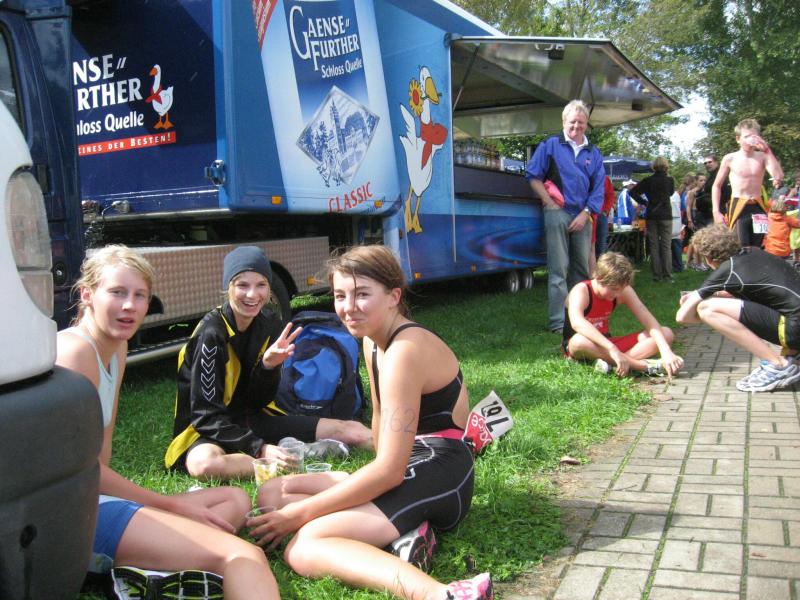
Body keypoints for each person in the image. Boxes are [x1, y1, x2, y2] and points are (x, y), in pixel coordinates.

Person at [248, 245, 492, 600]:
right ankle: (406, 534)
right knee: (274, 493)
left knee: (303, 545)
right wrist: (359, 490)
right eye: (340, 296)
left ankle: (446, 594)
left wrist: (300, 514)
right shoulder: (373, 342)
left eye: (362, 294)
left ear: (394, 296)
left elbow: (390, 472)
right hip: (409, 463)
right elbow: (380, 428)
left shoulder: (404, 351)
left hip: (440, 470)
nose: (349, 307)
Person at [55, 245, 278, 599]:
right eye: (117, 292)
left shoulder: (116, 348)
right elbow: (81, 474)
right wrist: (169, 505)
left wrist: (159, 511)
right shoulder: (75, 352)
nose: (129, 306)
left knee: (235, 499)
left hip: (91, 499)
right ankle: (144, 559)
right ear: (87, 294)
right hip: (63, 521)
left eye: (139, 295)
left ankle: (148, 568)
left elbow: (100, 460)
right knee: (243, 556)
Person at [164, 246, 373, 480]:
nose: (252, 295)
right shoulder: (211, 335)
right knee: (204, 465)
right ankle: (293, 457)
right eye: (242, 285)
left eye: (261, 285)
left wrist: (268, 367)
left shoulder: (269, 323)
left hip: (251, 419)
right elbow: (205, 416)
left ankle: (401, 451)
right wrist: (259, 447)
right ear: (228, 287)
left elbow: (258, 402)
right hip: (209, 430)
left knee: (345, 429)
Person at [677, 224, 800, 392]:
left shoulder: (727, 269)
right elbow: (757, 289)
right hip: (795, 321)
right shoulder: (753, 252)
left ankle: (777, 365)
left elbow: (682, 317)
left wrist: (703, 309)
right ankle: (793, 356)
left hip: (794, 328)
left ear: (708, 258)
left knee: (707, 309)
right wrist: (717, 296)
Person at [526, 99, 606, 334]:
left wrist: (586, 213)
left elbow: (599, 188)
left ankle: (579, 319)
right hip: (557, 213)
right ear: (564, 122)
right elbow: (532, 175)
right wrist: (549, 202)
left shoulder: (594, 153)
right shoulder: (550, 145)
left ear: (587, 124)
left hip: (583, 215)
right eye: (572, 122)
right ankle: (558, 323)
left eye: (581, 122)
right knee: (558, 270)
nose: (576, 126)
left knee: (581, 270)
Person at [562, 251, 683, 377]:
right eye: (614, 289)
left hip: (608, 344)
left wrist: (666, 351)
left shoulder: (622, 289)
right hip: (585, 345)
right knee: (578, 341)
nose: (618, 294)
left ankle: (613, 364)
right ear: (599, 278)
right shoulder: (581, 290)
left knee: (666, 334)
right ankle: (644, 366)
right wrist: (612, 349)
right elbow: (577, 323)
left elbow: (647, 318)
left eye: (621, 289)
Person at [712, 119, 784, 247]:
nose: (751, 140)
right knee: (740, 245)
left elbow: (778, 176)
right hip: (739, 204)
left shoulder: (763, 156)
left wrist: (767, 150)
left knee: (758, 246)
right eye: (747, 136)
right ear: (738, 139)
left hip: (758, 205)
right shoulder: (730, 158)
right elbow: (716, 186)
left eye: (754, 136)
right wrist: (716, 211)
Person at [630, 156, 675, 282]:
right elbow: (671, 193)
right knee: (666, 245)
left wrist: (644, 202)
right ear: (666, 166)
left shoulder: (647, 180)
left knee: (654, 246)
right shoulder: (670, 180)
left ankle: (656, 275)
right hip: (665, 214)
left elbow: (632, 192)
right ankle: (667, 275)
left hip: (652, 214)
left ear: (653, 166)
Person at [684, 174, 708, 270]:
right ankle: (699, 263)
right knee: (698, 239)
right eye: (701, 180)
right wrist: (689, 220)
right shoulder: (692, 192)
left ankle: (688, 262)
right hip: (696, 215)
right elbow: (688, 207)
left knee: (694, 240)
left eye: (705, 180)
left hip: (705, 215)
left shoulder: (707, 191)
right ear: (696, 181)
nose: (703, 182)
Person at [670, 189, 685, 272]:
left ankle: (675, 266)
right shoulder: (677, 195)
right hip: (676, 221)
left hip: (668, 221)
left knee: (671, 246)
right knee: (676, 245)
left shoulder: (662, 194)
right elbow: (683, 208)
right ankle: (678, 266)